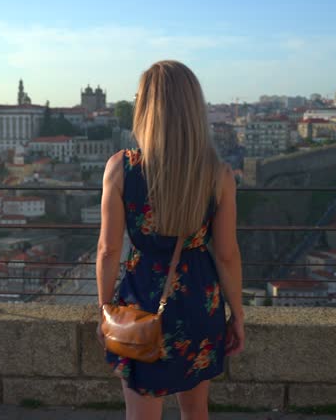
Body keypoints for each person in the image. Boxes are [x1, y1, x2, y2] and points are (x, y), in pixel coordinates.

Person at [95, 60, 245, 420]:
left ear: (145, 107)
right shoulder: (218, 174)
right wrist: (237, 315)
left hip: (142, 300)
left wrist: (103, 310)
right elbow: (226, 255)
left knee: (141, 413)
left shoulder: (122, 167)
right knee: (196, 412)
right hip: (199, 301)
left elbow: (108, 249)